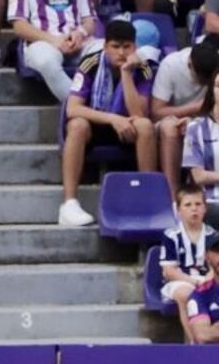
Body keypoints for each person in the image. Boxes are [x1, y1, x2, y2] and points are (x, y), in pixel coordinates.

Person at [60, 19, 156, 226]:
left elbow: (139, 113)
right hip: (97, 125)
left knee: (145, 126)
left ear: (134, 47)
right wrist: (113, 119)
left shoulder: (143, 68)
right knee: (77, 124)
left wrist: (127, 74)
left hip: (128, 127)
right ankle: (69, 204)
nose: (121, 53)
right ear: (105, 46)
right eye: (115, 46)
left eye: (126, 47)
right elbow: (73, 108)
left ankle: (148, 198)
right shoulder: (89, 64)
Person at [152, 38, 217, 182]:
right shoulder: (171, 65)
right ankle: (173, 196)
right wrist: (193, 108)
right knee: (169, 128)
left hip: (209, 120)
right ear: (190, 65)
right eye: (201, 79)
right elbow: (157, 112)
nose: (204, 84)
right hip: (172, 119)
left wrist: (196, 122)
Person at [156, 185, 215, 338]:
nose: (193, 209)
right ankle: (193, 342)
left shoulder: (213, 235)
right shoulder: (171, 235)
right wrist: (194, 282)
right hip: (179, 281)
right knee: (187, 294)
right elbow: (170, 271)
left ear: (205, 208)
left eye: (198, 204)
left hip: (208, 280)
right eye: (188, 205)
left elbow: (215, 264)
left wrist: (208, 279)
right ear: (179, 210)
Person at [184, 69, 219, 225]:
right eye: (218, 86)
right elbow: (198, 176)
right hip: (210, 200)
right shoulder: (195, 128)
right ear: (212, 91)